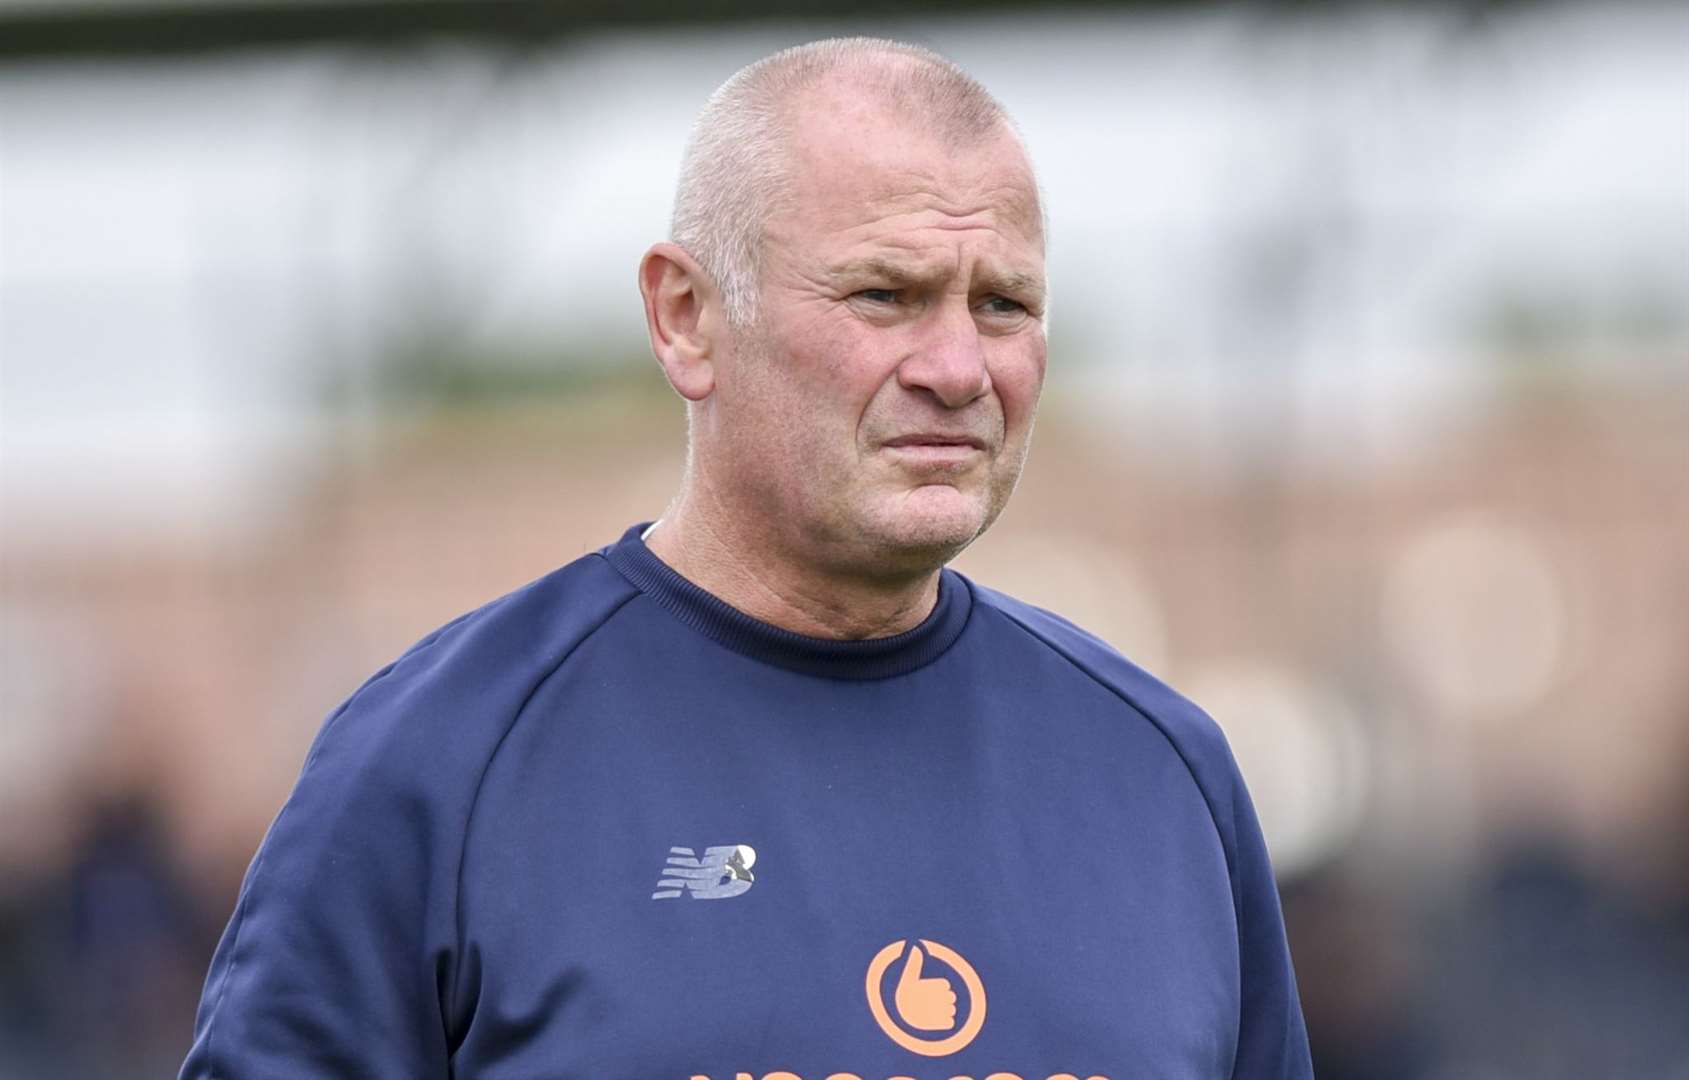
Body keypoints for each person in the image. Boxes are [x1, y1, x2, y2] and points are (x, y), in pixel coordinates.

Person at [180, 38, 1312, 1080]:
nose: (960, 367)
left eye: (1005, 304)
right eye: (887, 294)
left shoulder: (1164, 773)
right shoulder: (441, 762)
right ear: (687, 317)